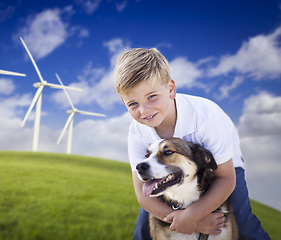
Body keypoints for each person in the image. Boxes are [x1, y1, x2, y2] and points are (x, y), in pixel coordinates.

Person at [114, 48, 270, 240]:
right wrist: (190, 222)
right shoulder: (137, 131)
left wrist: (193, 214)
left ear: (171, 89)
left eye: (152, 96)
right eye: (133, 104)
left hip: (223, 166)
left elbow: (226, 179)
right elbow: (143, 194)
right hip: (164, 172)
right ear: (124, 103)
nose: (144, 110)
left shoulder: (207, 117)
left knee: (243, 222)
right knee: (143, 229)